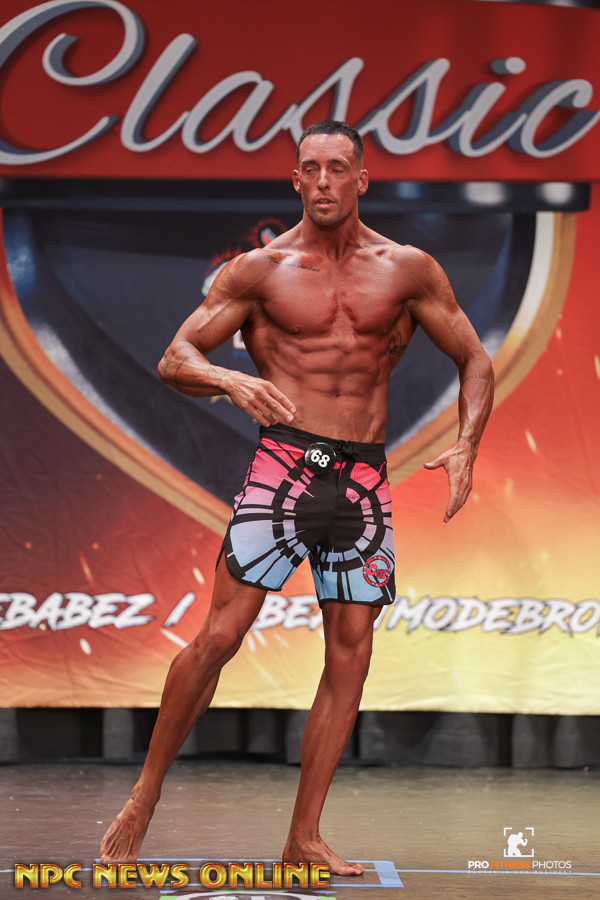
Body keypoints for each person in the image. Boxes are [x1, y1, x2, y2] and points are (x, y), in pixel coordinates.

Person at [100, 120, 494, 875]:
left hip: (363, 479)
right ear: (295, 180)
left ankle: (303, 837)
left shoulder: (407, 268)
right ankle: (144, 796)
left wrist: (468, 443)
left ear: (361, 178)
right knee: (221, 635)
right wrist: (230, 378)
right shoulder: (261, 270)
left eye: (337, 167)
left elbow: (474, 357)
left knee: (352, 655)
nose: (322, 181)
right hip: (284, 467)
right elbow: (175, 357)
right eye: (309, 168)